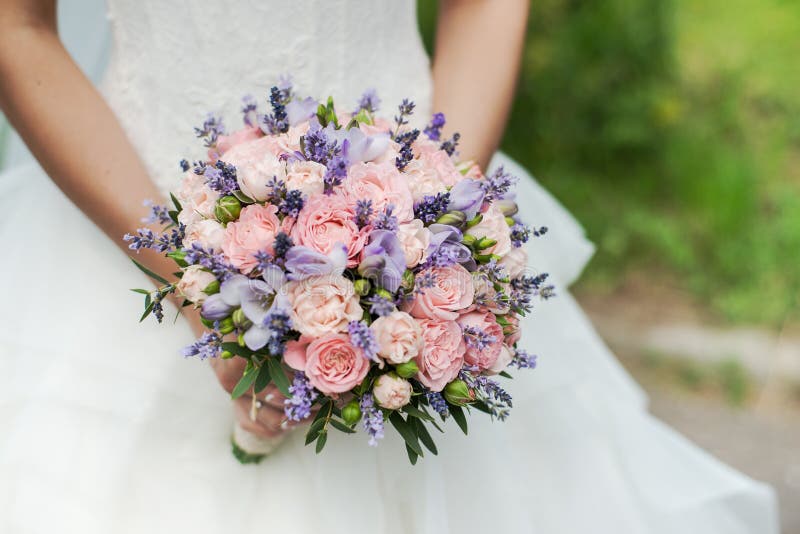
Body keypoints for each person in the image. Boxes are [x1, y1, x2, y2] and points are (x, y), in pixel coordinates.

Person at [0, 1, 778, 532]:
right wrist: (202, 287)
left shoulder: (418, 234)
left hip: (411, 203)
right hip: (123, 220)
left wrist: (422, 232)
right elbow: (18, 25)